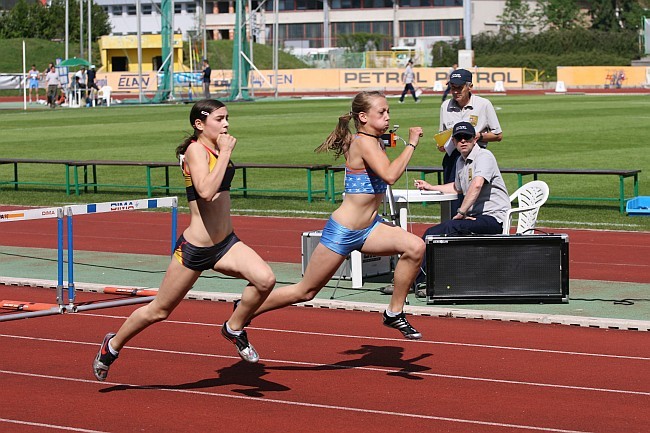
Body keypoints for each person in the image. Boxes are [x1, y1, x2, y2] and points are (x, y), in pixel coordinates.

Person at [92, 99, 276, 381]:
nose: (226, 124)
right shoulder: (195, 150)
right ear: (199, 124)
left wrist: (223, 151)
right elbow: (205, 192)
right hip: (196, 249)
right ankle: (112, 345)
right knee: (159, 311)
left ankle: (234, 327)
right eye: (219, 119)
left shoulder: (215, 147)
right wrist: (225, 153)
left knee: (265, 280)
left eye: (228, 118)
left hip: (226, 243)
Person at [239, 91, 426, 340]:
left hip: (370, 229)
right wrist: (412, 142)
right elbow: (390, 175)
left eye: (388, 111)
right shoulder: (363, 142)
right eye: (382, 112)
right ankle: (244, 311)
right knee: (306, 292)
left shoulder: (372, 140)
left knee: (415, 247)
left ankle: (394, 312)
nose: (388, 117)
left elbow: (376, 150)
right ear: (363, 117)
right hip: (344, 231)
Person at [413, 121, 510, 292]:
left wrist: (461, 212)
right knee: (438, 231)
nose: (463, 141)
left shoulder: (484, 156)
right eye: (459, 138)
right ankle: (424, 279)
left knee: (438, 231)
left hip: (493, 218)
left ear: (474, 139)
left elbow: (477, 185)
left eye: (467, 137)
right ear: (454, 141)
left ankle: (415, 281)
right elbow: (457, 188)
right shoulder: (460, 161)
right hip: (477, 217)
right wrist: (431, 186)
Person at [438, 68, 503, 212]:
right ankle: (451, 228)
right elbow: (442, 134)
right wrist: (441, 145)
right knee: (451, 199)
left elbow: (498, 135)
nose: (455, 91)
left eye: (459, 88)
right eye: (452, 88)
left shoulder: (483, 104)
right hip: (452, 158)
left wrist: (479, 136)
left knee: (473, 199)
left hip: (475, 157)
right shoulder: (445, 106)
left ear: (470, 86)